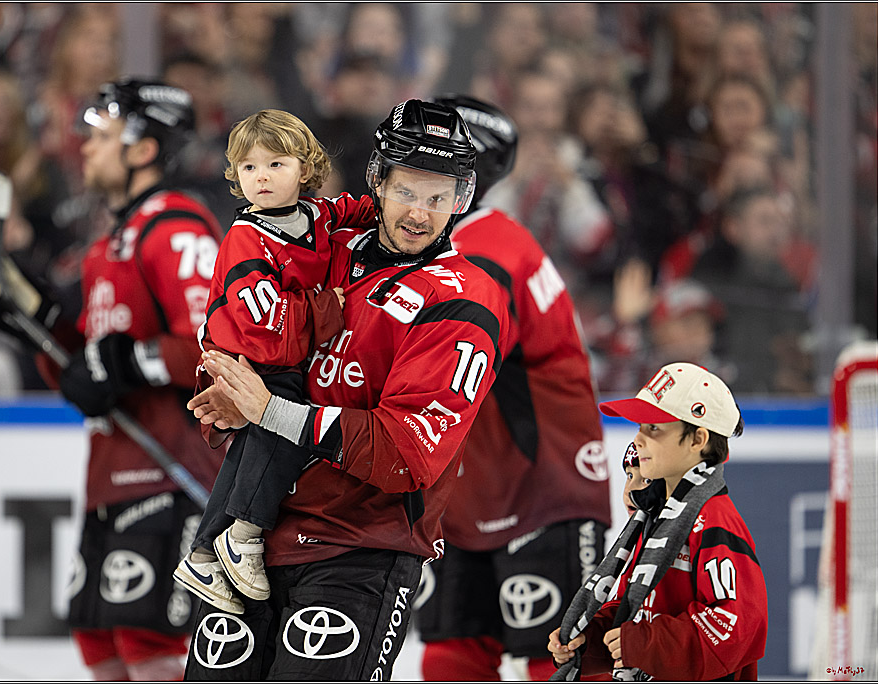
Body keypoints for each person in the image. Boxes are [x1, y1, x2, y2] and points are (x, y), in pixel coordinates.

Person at [183, 99, 511, 680]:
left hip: (358, 550)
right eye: (407, 191)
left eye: (440, 198)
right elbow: (251, 331)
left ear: (462, 201)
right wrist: (229, 391)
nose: (420, 213)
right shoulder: (329, 248)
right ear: (377, 184)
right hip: (255, 544)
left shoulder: (464, 299)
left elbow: (407, 453)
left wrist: (270, 410)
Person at [0, 78, 225, 681]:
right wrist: (29, 324)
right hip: (111, 478)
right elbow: (84, 367)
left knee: (149, 648)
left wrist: (124, 363)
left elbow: (216, 348)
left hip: (171, 475)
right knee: (98, 646)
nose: (85, 149)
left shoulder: (176, 227)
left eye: (101, 138)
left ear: (143, 149)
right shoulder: (108, 246)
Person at [411, 94, 612, 682]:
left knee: (565, 657)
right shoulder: (459, 243)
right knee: (453, 652)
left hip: (541, 485)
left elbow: (457, 361)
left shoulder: (489, 250)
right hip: (472, 490)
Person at [172, 108, 377, 612]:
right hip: (245, 359)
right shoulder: (247, 238)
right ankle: (244, 531)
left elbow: (357, 209)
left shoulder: (314, 215)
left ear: (305, 169)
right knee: (285, 423)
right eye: (249, 168)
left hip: (273, 357)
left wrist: (397, 205)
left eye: (276, 164)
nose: (260, 177)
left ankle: (202, 554)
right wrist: (330, 307)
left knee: (247, 451)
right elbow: (267, 336)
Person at [548, 362, 768, 681]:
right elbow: (636, 610)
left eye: (653, 428)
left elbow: (734, 627)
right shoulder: (653, 517)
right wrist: (590, 640)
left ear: (697, 440)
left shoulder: (714, 521)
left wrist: (642, 643)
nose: (637, 439)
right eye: (639, 427)